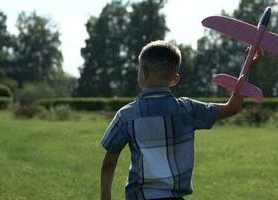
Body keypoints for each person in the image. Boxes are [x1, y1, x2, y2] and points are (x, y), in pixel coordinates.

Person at [100, 40, 262, 200]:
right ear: (174, 79)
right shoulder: (187, 109)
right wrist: (246, 67)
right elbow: (232, 108)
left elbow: (109, 164)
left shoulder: (126, 115)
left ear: (144, 72)